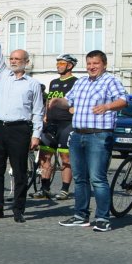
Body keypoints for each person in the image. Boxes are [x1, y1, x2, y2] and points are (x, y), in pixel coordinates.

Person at [58, 50, 128, 232]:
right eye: (89, 63)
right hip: (78, 134)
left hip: (99, 135)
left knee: (98, 178)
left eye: (95, 63)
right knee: (80, 178)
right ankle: (81, 215)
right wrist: (58, 101)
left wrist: (107, 106)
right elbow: (68, 101)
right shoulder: (81, 82)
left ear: (103, 64)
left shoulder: (110, 80)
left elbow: (123, 100)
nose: (91, 67)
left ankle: (103, 218)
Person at [0, 14, 43, 222]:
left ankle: (19, 210)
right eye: (12, 59)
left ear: (26, 62)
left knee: (19, 172)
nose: (13, 61)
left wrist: (36, 135)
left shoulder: (32, 84)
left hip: (20, 129)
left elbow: (38, 111)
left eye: (18, 59)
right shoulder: (2, 73)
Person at [37, 54, 78, 201]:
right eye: (57, 63)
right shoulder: (53, 82)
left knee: (65, 158)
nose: (58, 65)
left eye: (61, 63)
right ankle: (44, 188)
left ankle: (64, 189)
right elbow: (48, 100)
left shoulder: (76, 82)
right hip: (51, 124)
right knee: (44, 156)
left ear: (70, 65)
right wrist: (45, 116)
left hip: (67, 124)